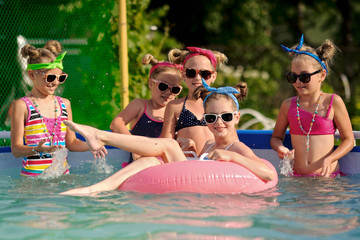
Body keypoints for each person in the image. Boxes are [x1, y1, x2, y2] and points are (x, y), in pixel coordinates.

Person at [61, 79, 275, 195]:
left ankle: (100, 136)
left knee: (168, 145)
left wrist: (233, 158)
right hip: (192, 191)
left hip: (205, 198)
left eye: (226, 117)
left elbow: (267, 173)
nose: (218, 122)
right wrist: (189, 150)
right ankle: (97, 188)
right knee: (150, 159)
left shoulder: (236, 148)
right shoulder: (210, 144)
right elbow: (200, 166)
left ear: (236, 117)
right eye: (211, 117)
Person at [11, 40, 107, 177]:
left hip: (62, 178)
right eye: (50, 77)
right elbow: (16, 149)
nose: (55, 82)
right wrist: (36, 149)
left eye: (60, 78)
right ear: (32, 75)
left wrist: (90, 145)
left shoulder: (64, 104)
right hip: (33, 183)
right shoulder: (22, 106)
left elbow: (71, 142)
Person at [270, 35, 354, 178]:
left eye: (304, 77)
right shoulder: (287, 105)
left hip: (327, 179)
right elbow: (276, 137)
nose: (298, 82)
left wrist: (330, 158)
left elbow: (349, 140)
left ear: (321, 75)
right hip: (298, 179)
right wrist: (281, 148)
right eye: (293, 77)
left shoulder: (333, 102)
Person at [110, 54, 183, 164]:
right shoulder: (140, 105)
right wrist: (135, 146)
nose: (168, 92)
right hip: (137, 165)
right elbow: (116, 124)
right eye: (163, 86)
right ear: (150, 83)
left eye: (175, 89)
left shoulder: (177, 112)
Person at [160, 47, 228, 156]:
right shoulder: (175, 106)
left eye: (204, 74)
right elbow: (165, 144)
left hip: (213, 164)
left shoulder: (222, 104)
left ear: (213, 76)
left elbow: (231, 141)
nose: (197, 78)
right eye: (191, 73)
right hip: (187, 164)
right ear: (183, 75)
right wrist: (180, 144)